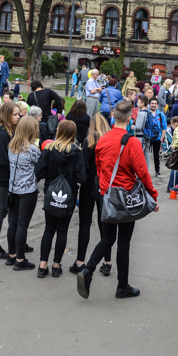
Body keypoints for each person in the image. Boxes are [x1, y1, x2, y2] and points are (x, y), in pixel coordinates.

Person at [77, 100, 159, 300]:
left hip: (108, 195)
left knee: (107, 238)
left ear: (113, 116)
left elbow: (99, 168)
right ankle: (122, 286)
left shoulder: (102, 140)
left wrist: (104, 189)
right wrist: (153, 196)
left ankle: (88, 270)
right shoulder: (132, 142)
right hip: (127, 197)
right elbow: (142, 173)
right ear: (131, 116)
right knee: (123, 243)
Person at [35, 120, 86, 278]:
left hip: (51, 192)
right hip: (69, 194)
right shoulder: (77, 152)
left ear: (59, 132)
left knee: (49, 229)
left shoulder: (49, 149)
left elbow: (39, 172)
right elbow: (81, 177)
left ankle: (43, 265)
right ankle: (56, 265)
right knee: (62, 230)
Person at [71, 114, 113, 275]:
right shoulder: (109, 142)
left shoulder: (89, 142)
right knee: (105, 226)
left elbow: (83, 167)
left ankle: (80, 260)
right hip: (105, 186)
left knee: (85, 224)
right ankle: (107, 261)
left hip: (88, 185)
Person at [7, 116, 42, 270]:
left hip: (13, 188)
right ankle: (20, 260)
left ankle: (12, 255)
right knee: (22, 225)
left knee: (13, 223)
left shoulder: (12, 146)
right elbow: (40, 166)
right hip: (28, 190)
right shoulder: (33, 149)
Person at [0, 102, 20, 259]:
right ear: (7, 115)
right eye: (15, 114)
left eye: (18, 114)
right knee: (1, 211)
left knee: (13, 211)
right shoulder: (1, 135)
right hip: (4, 178)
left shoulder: (10, 131)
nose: (18, 117)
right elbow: (4, 160)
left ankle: (15, 242)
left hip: (11, 177)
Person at [144, 98, 168, 178]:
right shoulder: (146, 113)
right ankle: (144, 171)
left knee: (156, 155)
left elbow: (164, 127)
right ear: (149, 104)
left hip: (157, 138)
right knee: (145, 155)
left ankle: (157, 171)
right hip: (147, 138)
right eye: (152, 103)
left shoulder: (161, 114)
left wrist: (161, 138)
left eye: (155, 103)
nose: (153, 105)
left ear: (157, 105)